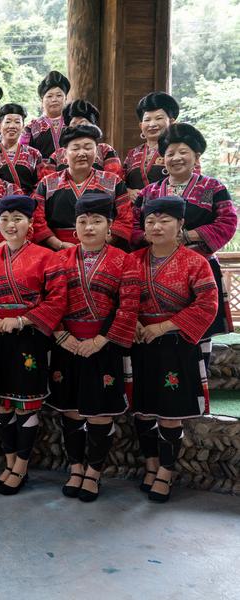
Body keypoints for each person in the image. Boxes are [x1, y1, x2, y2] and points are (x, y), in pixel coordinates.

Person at [47, 194, 140, 502]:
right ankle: (75, 468)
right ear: (74, 227)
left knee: (99, 413)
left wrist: (100, 340)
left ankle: (93, 472)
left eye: (97, 221)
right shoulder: (59, 259)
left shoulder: (124, 260)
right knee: (71, 411)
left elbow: (129, 305)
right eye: (83, 221)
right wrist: (62, 336)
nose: (89, 227)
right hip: (67, 345)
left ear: (109, 226)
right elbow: (48, 300)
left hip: (104, 345)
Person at [0, 195, 67, 495]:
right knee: (2, 405)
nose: (11, 225)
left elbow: (57, 300)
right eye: (5, 219)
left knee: (25, 406)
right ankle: (10, 461)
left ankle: (21, 468)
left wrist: (21, 320)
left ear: (30, 223)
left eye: (17, 218)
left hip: (29, 338)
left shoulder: (47, 257)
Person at [131, 196, 218, 504]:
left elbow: (207, 304)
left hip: (177, 345)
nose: (156, 227)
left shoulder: (197, 262)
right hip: (140, 344)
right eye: (150, 221)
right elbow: (120, 298)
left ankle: (166, 471)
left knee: (170, 414)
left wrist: (163, 326)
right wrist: (133, 321)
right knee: (142, 411)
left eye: (165, 221)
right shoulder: (133, 260)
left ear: (181, 224)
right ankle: (151, 464)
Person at [132, 123, 237, 360]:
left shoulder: (211, 188)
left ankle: (197, 375)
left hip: (200, 266)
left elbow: (227, 223)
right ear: (163, 159)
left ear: (196, 156)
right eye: (170, 153)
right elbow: (134, 226)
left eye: (183, 152)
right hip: (155, 268)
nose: (176, 158)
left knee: (198, 333)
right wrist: (154, 239)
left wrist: (188, 236)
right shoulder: (149, 192)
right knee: (152, 338)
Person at [32, 124, 132, 251]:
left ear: (96, 153)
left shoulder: (113, 182)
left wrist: (100, 244)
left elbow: (125, 219)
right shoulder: (47, 183)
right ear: (64, 154)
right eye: (75, 148)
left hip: (104, 249)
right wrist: (59, 245)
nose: (82, 153)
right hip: (58, 251)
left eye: (88, 148)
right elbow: (37, 220)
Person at [123, 92, 190, 201]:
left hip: (170, 209)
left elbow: (193, 183)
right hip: (135, 210)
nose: (152, 124)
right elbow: (120, 184)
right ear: (141, 125)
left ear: (172, 122)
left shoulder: (184, 150)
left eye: (158, 118)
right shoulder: (133, 154)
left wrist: (151, 195)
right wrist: (128, 192)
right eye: (147, 120)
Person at [52, 100, 122, 178]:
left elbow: (114, 179)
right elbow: (48, 181)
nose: (78, 127)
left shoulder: (105, 150)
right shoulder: (57, 154)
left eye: (83, 123)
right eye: (74, 124)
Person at [22, 70, 71, 168]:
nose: (54, 99)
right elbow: (24, 155)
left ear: (65, 98)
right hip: (42, 174)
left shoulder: (73, 123)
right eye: (49, 96)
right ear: (42, 100)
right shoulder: (31, 127)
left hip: (71, 173)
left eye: (59, 95)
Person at [0, 103, 44, 194]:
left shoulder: (33, 154)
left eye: (17, 122)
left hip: (25, 201)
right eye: (8, 122)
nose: (12, 126)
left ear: (23, 127)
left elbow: (40, 184)